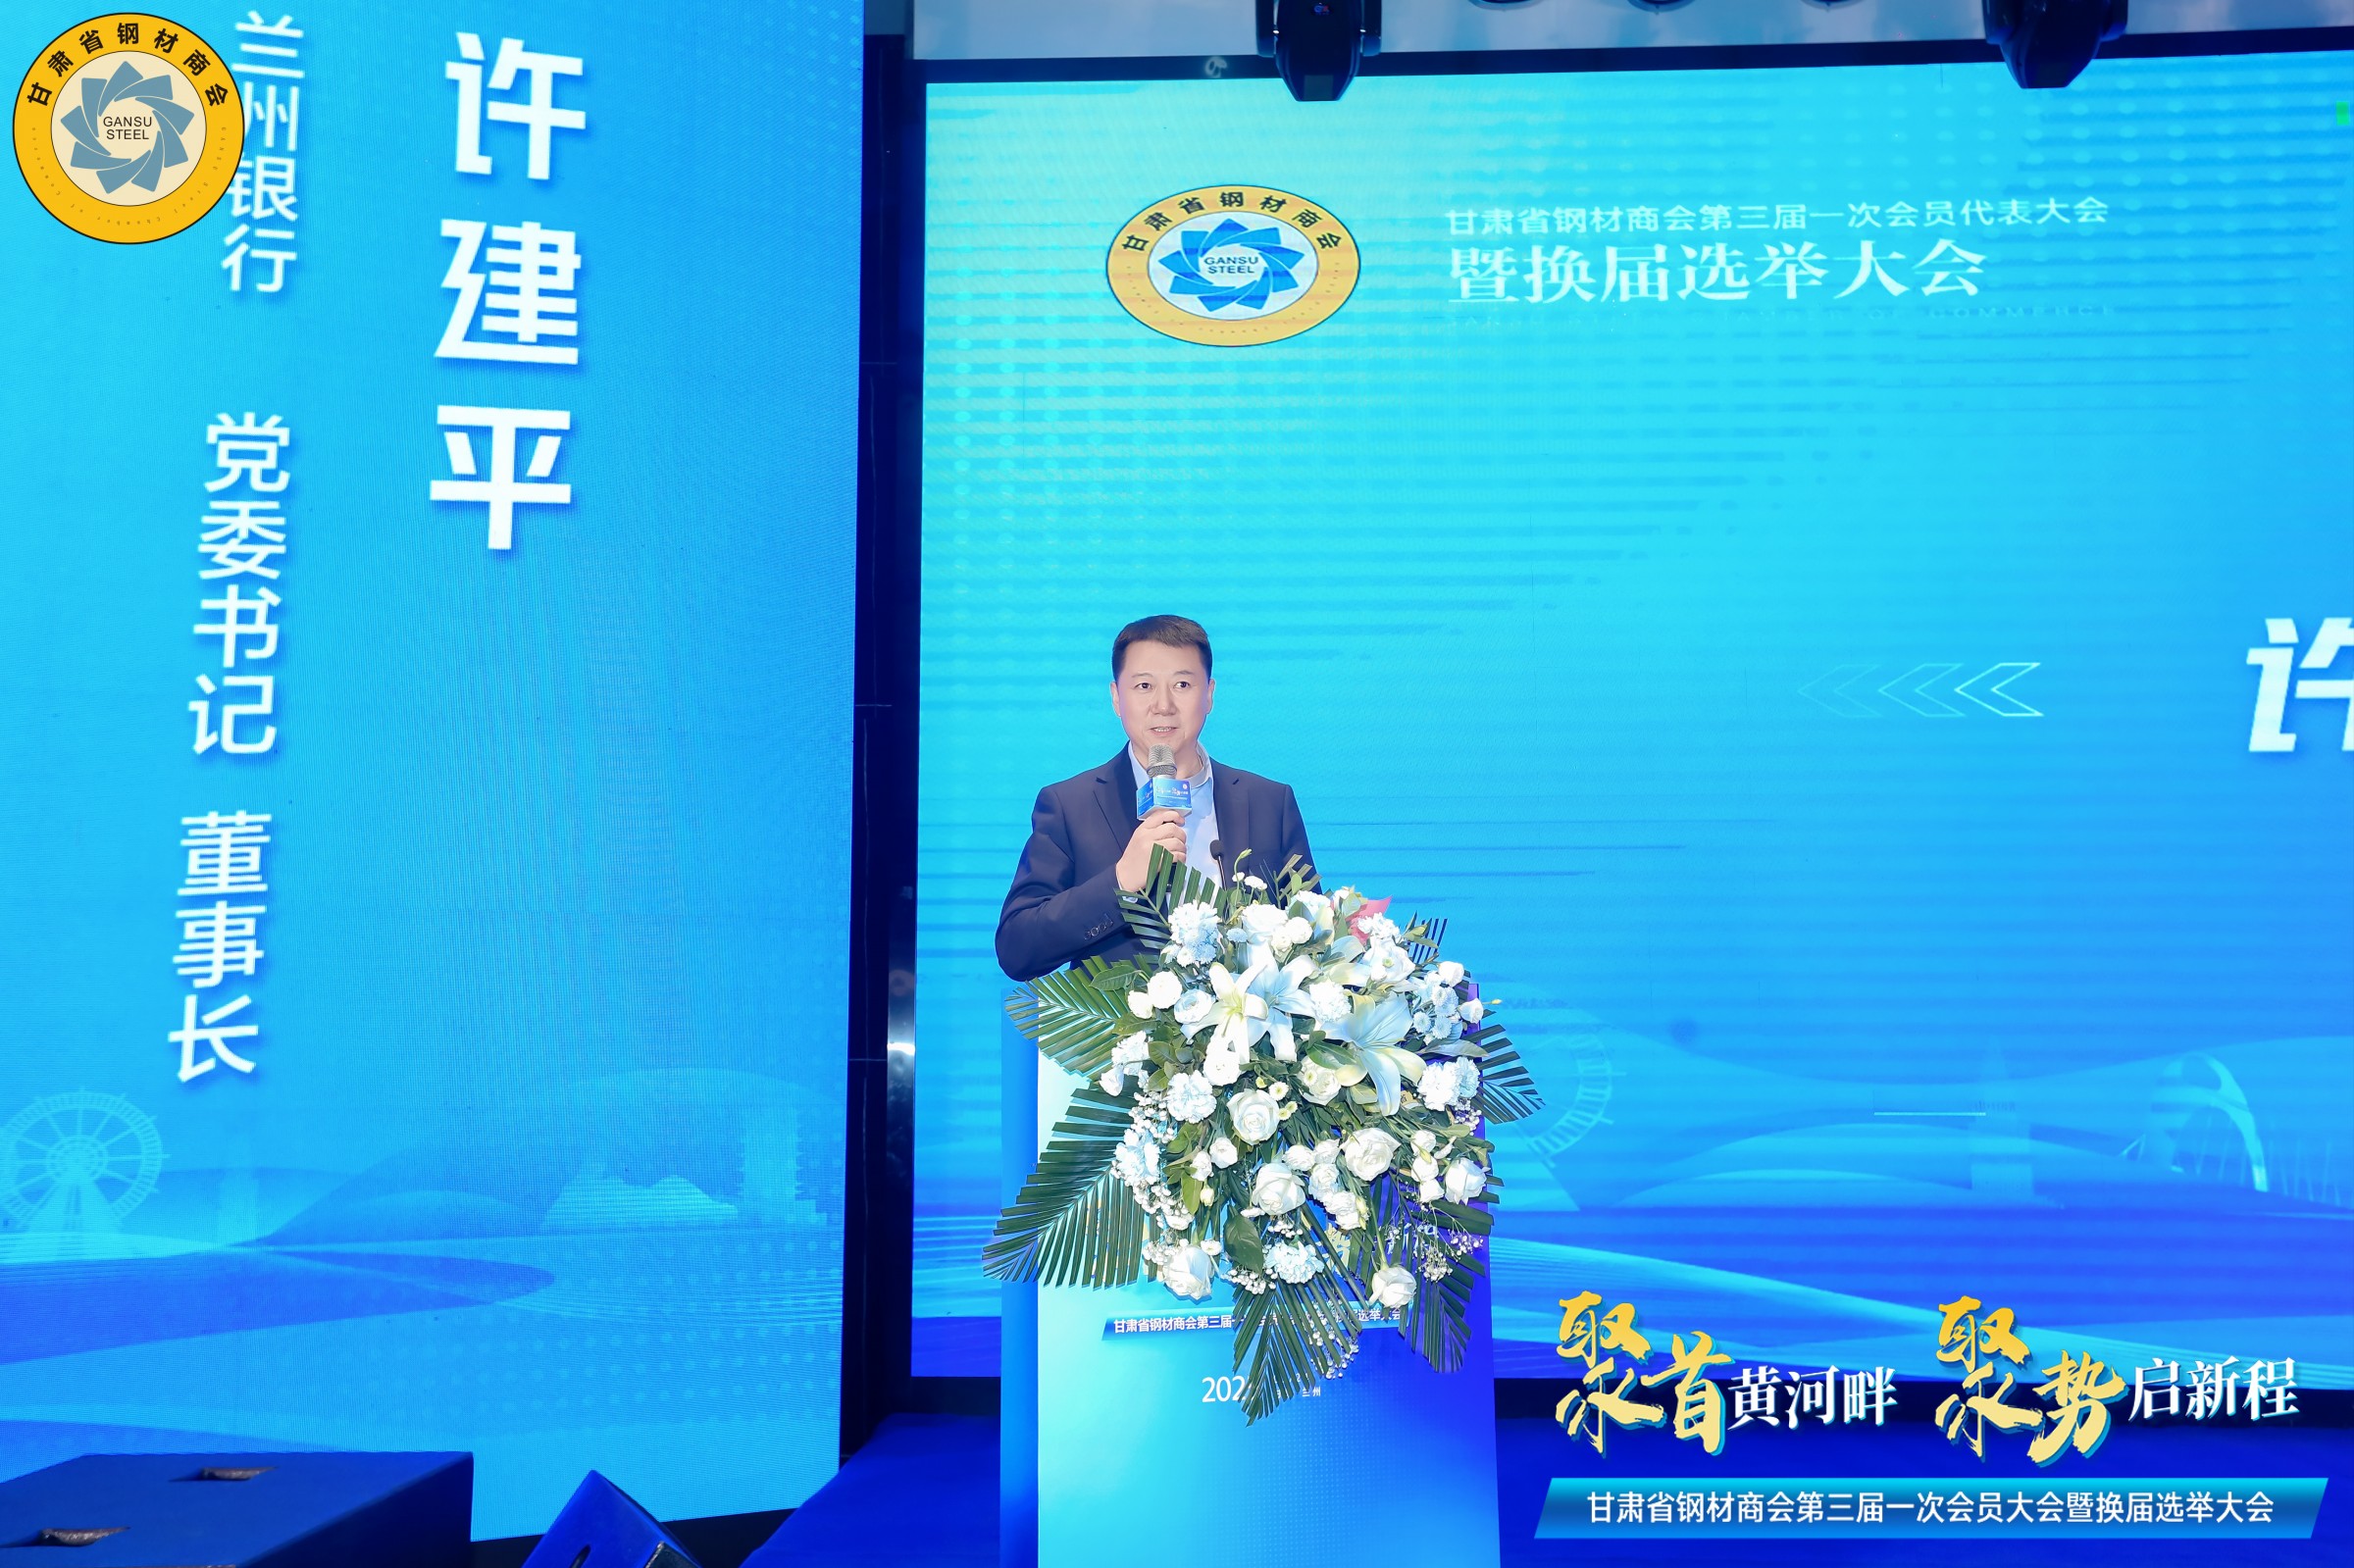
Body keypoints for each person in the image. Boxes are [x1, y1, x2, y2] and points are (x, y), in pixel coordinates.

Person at [995, 615, 1317, 983]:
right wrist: (1120, 880)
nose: (1163, 705)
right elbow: (1017, 949)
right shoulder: (1070, 805)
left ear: (1209, 694)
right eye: (1144, 685)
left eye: (1182, 684)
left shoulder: (1268, 803)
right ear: (1117, 698)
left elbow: (1312, 940)